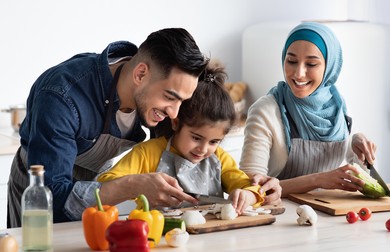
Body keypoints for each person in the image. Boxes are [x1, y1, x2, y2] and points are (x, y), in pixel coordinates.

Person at [7, 28, 210, 228]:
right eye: (169, 97)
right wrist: (131, 186)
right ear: (140, 74)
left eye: (182, 102)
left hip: (94, 186)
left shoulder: (157, 95)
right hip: (39, 187)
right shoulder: (62, 96)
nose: (174, 113)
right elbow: (54, 199)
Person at [98, 61, 282, 214]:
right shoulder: (148, 153)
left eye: (214, 142)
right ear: (176, 123)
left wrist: (248, 195)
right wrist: (138, 184)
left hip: (209, 237)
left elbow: (250, 186)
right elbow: (105, 182)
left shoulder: (220, 158)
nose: (203, 149)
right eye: (196, 138)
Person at [239, 22, 377, 197]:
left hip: (331, 216)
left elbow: (366, 180)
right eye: (292, 61)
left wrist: (359, 143)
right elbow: (249, 187)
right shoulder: (265, 110)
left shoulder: (337, 107)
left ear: (329, 66)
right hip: (281, 216)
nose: (298, 73)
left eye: (311, 64)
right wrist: (317, 180)